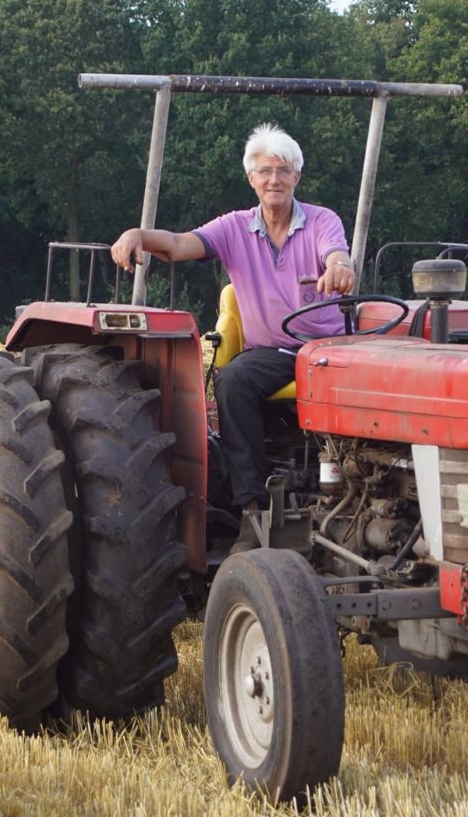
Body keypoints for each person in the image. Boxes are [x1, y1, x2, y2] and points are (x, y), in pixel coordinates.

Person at [111, 123, 355, 554]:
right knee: (234, 378)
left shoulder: (321, 221)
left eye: (283, 170)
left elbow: (336, 254)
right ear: (252, 179)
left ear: (297, 176)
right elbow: (180, 243)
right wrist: (138, 235)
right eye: (265, 171)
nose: (274, 179)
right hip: (271, 351)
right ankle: (252, 510)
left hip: (323, 348)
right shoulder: (234, 228)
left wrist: (339, 268)